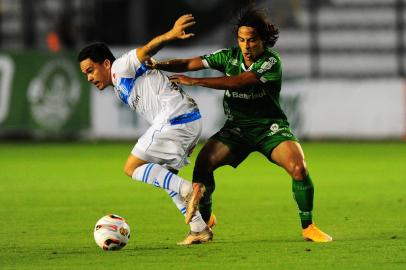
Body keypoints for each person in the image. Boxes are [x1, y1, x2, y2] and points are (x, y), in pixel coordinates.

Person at [151, 8, 332, 242]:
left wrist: (196, 82)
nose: (246, 45)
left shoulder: (271, 61)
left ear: (263, 39)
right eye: (242, 39)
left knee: (299, 169)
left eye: (252, 40)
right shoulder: (228, 56)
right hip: (236, 128)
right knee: (203, 165)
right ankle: (204, 224)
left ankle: (308, 227)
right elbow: (189, 62)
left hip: (269, 127)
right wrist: (158, 64)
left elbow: (240, 82)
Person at [77, 14, 215, 245]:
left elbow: (146, 50)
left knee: (132, 167)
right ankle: (199, 228)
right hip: (188, 121)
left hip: (175, 117)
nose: (90, 77)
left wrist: (171, 34)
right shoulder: (118, 84)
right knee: (165, 178)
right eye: (86, 74)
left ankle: (189, 190)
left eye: (91, 70)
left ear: (106, 63)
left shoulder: (120, 66)